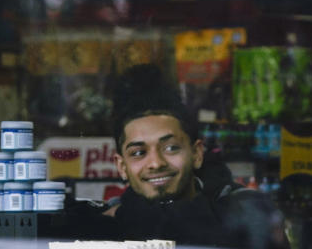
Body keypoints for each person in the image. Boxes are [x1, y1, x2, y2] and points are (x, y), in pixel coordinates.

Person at [67, 64, 288, 249]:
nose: (156, 163)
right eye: (138, 153)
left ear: (197, 153)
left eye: (171, 148)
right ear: (121, 166)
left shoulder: (246, 209)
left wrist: (129, 213)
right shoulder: (106, 221)